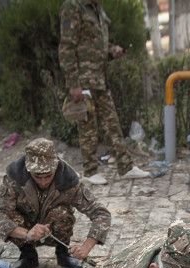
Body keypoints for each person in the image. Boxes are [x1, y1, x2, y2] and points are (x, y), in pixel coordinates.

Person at [0, 138, 112, 268]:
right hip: (26, 227)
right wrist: (27, 234)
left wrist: (86, 247)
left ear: (56, 165)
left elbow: (101, 213)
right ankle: (28, 255)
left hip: (55, 228)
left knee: (61, 213)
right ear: (28, 168)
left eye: (48, 175)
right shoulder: (14, 179)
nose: (43, 181)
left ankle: (63, 254)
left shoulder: (69, 181)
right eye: (38, 176)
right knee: (10, 215)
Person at [59, 0, 149, 180]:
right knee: (88, 127)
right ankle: (90, 171)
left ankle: (126, 167)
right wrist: (73, 83)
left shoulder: (96, 8)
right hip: (83, 81)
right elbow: (66, 47)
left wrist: (112, 50)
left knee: (112, 123)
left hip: (100, 78)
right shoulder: (73, 6)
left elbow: (95, 42)